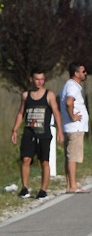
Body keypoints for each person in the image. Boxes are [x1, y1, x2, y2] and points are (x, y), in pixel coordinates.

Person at [9, 70, 65, 199]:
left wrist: (60, 131)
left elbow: (56, 113)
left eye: (42, 79)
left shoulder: (49, 95)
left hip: (44, 133)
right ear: (31, 80)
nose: (39, 82)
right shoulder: (25, 95)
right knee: (25, 159)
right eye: (37, 79)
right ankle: (24, 188)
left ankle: (43, 190)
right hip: (29, 132)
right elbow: (20, 113)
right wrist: (15, 130)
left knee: (44, 161)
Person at [60, 61, 90, 193]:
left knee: (69, 156)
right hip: (74, 127)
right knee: (73, 157)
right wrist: (72, 116)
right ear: (76, 73)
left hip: (71, 127)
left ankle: (69, 185)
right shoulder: (73, 86)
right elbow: (69, 101)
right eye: (83, 71)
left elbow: (59, 99)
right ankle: (73, 186)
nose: (85, 74)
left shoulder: (69, 85)